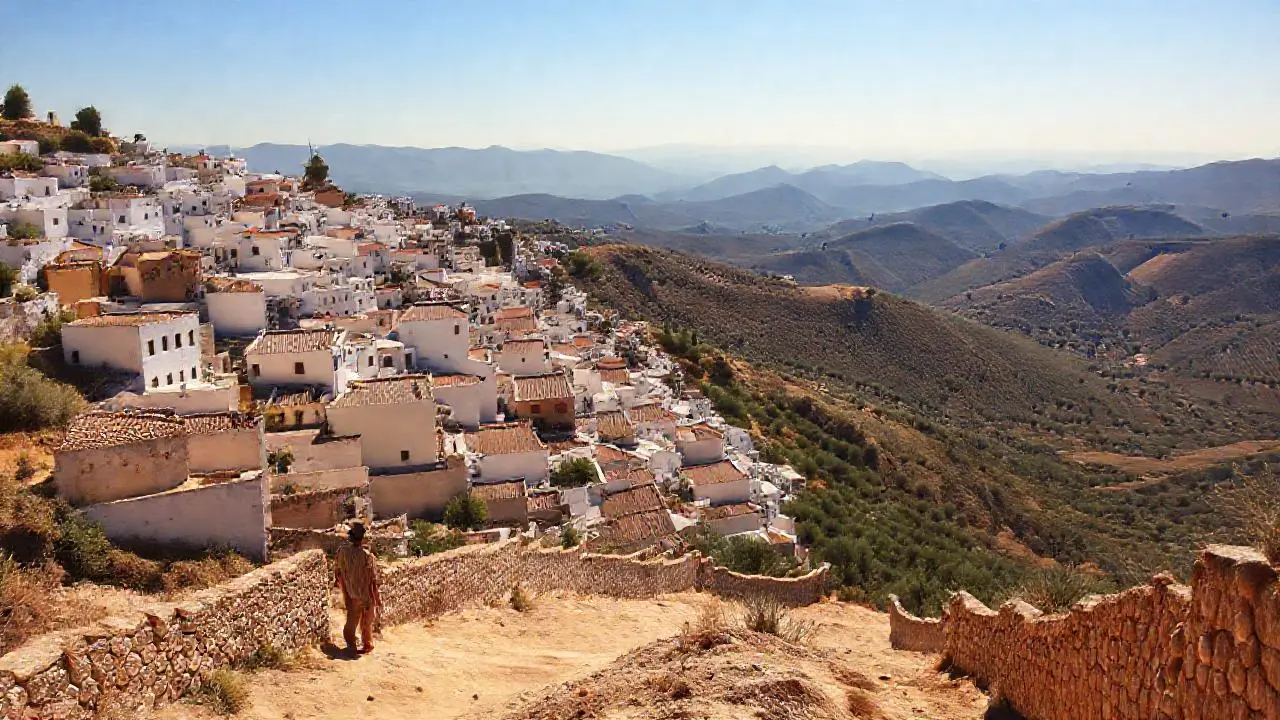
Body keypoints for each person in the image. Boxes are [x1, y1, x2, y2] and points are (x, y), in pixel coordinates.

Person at [334, 521, 381, 655]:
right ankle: (367, 644)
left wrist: (340, 582)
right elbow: (373, 578)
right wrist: (376, 597)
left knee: (352, 619)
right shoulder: (367, 556)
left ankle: (351, 646)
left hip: (350, 591)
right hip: (365, 593)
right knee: (367, 620)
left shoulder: (342, 551)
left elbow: (337, 569)